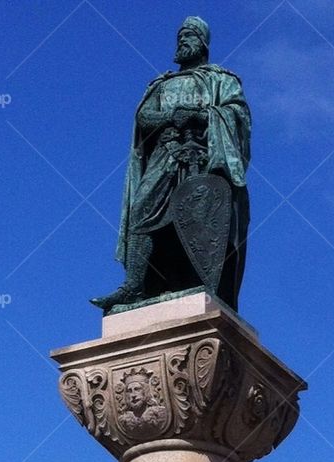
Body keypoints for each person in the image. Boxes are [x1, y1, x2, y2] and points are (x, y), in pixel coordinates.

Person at [92, 17, 251, 313]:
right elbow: (143, 118)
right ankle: (134, 285)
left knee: (197, 218)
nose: (182, 41)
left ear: (203, 43)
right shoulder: (161, 85)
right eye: (180, 36)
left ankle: (201, 282)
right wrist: (170, 117)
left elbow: (237, 116)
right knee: (141, 211)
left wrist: (200, 116)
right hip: (163, 157)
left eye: (189, 35)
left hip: (203, 160)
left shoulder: (222, 80)